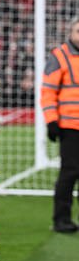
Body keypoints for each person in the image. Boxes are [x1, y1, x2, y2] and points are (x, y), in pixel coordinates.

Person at [41, 16, 79, 233]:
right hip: (70, 126)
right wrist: (51, 121)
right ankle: (61, 219)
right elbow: (48, 90)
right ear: (70, 33)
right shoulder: (60, 56)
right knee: (70, 173)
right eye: (78, 31)